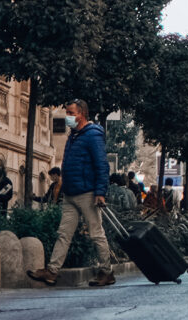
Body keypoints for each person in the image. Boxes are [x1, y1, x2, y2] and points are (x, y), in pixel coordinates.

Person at [27, 99, 114, 287]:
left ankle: (107, 272)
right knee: (63, 234)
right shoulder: (73, 135)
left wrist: (100, 192)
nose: (67, 117)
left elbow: (101, 164)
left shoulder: (92, 135)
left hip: (88, 193)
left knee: (96, 233)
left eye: (71, 114)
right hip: (70, 194)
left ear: (82, 114)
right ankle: (52, 271)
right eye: (66, 113)